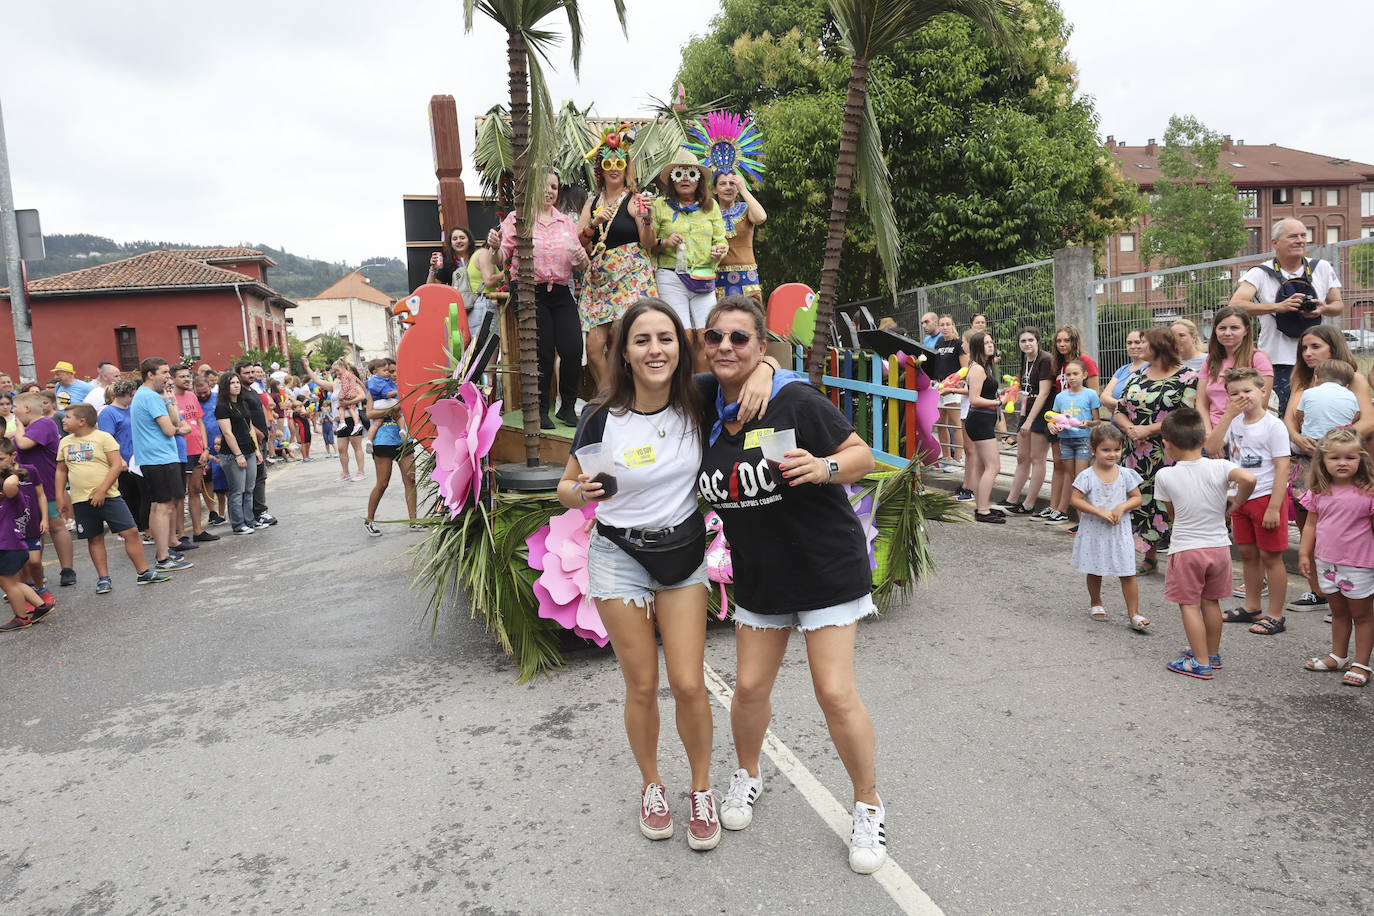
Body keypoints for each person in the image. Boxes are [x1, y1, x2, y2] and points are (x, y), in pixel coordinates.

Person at [698, 296, 888, 874]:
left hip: (824, 567)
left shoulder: (795, 399)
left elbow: (862, 454)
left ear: (760, 346)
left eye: (740, 339)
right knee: (749, 689)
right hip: (760, 576)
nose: (727, 347)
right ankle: (747, 775)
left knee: (833, 691)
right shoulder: (703, 403)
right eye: (716, 338)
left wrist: (827, 468)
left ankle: (868, 804)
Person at [557, 299, 718, 850]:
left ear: (680, 346)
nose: (656, 350)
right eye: (643, 340)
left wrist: (766, 366)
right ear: (623, 351)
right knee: (643, 684)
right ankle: (652, 784)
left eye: (666, 339)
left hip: (682, 552)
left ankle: (700, 789)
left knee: (689, 682)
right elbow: (565, 486)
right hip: (619, 554)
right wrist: (582, 492)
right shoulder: (602, 416)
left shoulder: (700, 399)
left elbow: (763, 368)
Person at [1155, 409, 1256, 679]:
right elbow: (1249, 479)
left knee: (1189, 605)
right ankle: (1211, 654)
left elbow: (1173, 514)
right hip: (1219, 548)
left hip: (1187, 549)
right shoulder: (1221, 467)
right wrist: (1236, 502)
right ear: (1203, 440)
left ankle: (1199, 663)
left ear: (1167, 443)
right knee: (1211, 603)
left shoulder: (1165, 476)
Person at [1283, 326, 1374, 611]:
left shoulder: (1353, 378)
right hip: (1305, 461)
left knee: (1348, 525)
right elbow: (1288, 420)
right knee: (1306, 517)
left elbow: (1368, 420)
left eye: (1315, 347)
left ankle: (1351, 594)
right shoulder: (1302, 380)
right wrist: (1296, 436)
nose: (1308, 353)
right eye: (1304, 348)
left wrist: (1332, 446)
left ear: (1332, 348)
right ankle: (1318, 591)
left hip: (1342, 462)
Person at [493, 168, 590, 428]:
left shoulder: (566, 222)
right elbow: (502, 257)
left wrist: (582, 260)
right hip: (528, 291)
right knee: (543, 352)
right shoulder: (519, 217)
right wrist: (494, 247)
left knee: (572, 348)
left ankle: (567, 407)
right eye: (544, 186)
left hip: (560, 291)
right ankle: (539, 411)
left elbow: (581, 262)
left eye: (554, 187)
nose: (549, 191)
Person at [1204, 368, 1291, 635]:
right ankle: (1252, 607)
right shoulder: (1233, 422)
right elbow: (1211, 448)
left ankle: (1275, 613)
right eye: (1234, 393)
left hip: (1266, 497)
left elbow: (1283, 467)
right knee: (1248, 554)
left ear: (1262, 391)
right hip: (1240, 499)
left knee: (1271, 557)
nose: (1242, 396)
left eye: (1247, 391)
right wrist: (1228, 416)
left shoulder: (1273, 425)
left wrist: (1275, 507)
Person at [1230, 217, 1345, 416]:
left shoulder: (1322, 267)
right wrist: (1279, 306)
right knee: (1280, 415)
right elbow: (1235, 304)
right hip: (1277, 360)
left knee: (1320, 414)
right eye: (1293, 236)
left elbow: (1338, 305)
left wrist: (1322, 309)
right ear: (1275, 243)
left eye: (1303, 235)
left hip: (1320, 359)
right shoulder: (1260, 272)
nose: (1300, 240)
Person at [1112, 326, 1198, 575]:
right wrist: (1131, 428)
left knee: (1171, 505)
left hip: (1169, 453)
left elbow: (1186, 415)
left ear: (1159, 346)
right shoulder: (1137, 376)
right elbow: (1119, 411)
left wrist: (1147, 430)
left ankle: (1181, 560)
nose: (1139, 347)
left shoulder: (1187, 377)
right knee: (1142, 503)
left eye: (1144, 343)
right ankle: (1149, 557)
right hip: (1136, 452)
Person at [54, 403, 165, 592]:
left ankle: (143, 572)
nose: (63, 420)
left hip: (110, 496)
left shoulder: (103, 438)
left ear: (82, 421)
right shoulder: (65, 442)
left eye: (67, 417)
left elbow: (115, 466)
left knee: (130, 532)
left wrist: (101, 491)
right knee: (94, 538)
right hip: (81, 499)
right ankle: (103, 578)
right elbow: (61, 471)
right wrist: (60, 497)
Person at [576, 136, 658, 390]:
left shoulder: (635, 200)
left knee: (624, 338)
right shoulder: (592, 203)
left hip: (631, 276)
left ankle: (637, 394)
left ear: (626, 167)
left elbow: (648, 243)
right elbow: (581, 240)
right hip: (601, 279)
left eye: (619, 164)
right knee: (593, 347)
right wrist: (595, 221)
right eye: (608, 164)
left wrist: (647, 220)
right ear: (600, 168)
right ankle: (610, 398)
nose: (613, 169)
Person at [1298, 427, 1374, 687]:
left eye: (1350, 458)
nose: (1342, 463)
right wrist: (1304, 553)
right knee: (1338, 611)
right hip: (1326, 562)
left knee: (1362, 615)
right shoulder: (1319, 491)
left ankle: (1362, 663)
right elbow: (1310, 525)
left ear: (1361, 459)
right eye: (1335, 458)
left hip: (1359, 565)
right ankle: (1338, 655)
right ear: (1323, 460)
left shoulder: (1369, 491)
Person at [648, 150, 727, 359]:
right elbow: (647, 245)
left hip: (703, 277)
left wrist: (718, 251)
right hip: (671, 277)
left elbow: (721, 241)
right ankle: (680, 389)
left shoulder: (711, 207)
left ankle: (701, 389)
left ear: (699, 180)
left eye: (690, 174)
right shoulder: (659, 206)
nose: (685, 179)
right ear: (672, 180)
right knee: (683, 338)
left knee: (706, 338)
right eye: (679, 174)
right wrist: (664, 243)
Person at [1070, 424, 1144, 628]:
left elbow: (1137, 498)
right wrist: (1099, 511)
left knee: (1127, 571)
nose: (1112, 454)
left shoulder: (1126, 474)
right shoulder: (1086, 476)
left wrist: (1122, 507)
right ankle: (1096, 602)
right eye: (1106, 449)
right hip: (1095, 530)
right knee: (1095, 568)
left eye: (1116, 449)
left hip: (1120, 532)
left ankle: (1134, 613)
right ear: (1093, 450)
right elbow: (1075, 500)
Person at [131, 359, 193, 572]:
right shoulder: (149, 396)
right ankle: (163, 556)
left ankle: (167, 549)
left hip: (157, 457)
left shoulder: (149, 395)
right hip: (158, 458)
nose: (169, 376)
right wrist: (180, 430)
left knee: (162, 505)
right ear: (150, 374)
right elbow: (170, 429)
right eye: (164, 372)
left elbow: (174, 420)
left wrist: (169, 400)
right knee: (163, 507)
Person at [13, 391, 77, 587]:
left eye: (16, 408)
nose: (14, 411)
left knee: (56, 525)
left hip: (45, 482)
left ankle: (67, 569)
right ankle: (33, 574)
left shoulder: (44, 423)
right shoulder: (29, 426)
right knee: (33, 529)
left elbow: (23, 444)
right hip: (26, 485)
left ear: (27, 408)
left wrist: (16, 427)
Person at [1044, 326, 1099, 526]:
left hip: (1082, 431)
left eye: (1066, 340)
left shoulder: (1086, 362)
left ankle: (1081, 517)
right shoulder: (1058, 364)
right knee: (1064, 468)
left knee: (1081, 474)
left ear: (1074, 341)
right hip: (1063, 429)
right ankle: (1060, 510)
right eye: (1058, 341)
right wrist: (1054, 422)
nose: (1062, 344)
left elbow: (1092, 397)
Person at [1195, 305, 1273, 437]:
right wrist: (1209, 435)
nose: (1227, 333)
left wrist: (1224, 435)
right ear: (1215, 331)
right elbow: (1202, 403)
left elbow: (1261, 403)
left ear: (1246, 331)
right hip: (1212, 434)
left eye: (1234, 328)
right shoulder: (1210, 361)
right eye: (1222, 328)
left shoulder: (1258, 359)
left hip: (1244, 434)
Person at [999, 327, 1054, 516]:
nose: (1027, 344)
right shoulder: (1026, 358)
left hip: (1042, 413)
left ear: (1038, 341)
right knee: (1022, 457)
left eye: (1031, 340)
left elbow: (1044, 392)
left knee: (1037, 459)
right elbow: (1025, 388)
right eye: (1023, 341)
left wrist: (1029, 421)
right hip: (1026, 410)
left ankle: (1029, 504)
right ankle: (1011, 499)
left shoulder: (1046, 359)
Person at [363, 361, 418, 536]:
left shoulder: (400, 387)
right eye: (389, 371)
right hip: (382, 441)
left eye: (395, 371)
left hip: (403, 440)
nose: (393, 374)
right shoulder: (376, 388)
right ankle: (369, 520)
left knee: (411, 480)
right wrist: (391, 409)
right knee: (383, 483)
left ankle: (414, 521)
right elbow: (370, 414)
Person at [0, 441, 49, 633]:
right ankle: (42, 605)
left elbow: (11, 484)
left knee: (8, 584)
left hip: (9, 547)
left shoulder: (14, 496)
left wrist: (11, 471)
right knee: (15, 583)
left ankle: (21, 617)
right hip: (12, 546)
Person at [429, 226, 501, 344]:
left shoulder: (478, 256)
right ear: (451, 243)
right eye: (455, 239)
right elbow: (431, 288)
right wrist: (432, 269)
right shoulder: (448, 264)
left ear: (469, 240)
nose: (459, 241)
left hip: (481, 303)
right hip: (460, 310)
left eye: (462, 237)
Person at [173, 365, 218, 546]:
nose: (186, 379)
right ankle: (182, 534)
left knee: (195, 491)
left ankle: (198, 530)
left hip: (198, 451)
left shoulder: (192, 396)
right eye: (181, 376)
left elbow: (199, 422)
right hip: (180, 452)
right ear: (173, 379)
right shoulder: (169, 399)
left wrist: (206, 448)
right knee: (178, 495)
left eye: (187, 376)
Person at [963, 332, 1003, 523]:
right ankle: (983, 510)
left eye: (991, 342)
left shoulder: (984, 367)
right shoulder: (978, 369)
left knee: (982, 467)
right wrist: (997, 402)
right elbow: (974, 399)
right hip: (979, 421)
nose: (990, 345)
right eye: (986, 343)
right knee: (994, 466)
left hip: (981, 420)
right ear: (978, 347)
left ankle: (982, 507)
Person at [215, 371, 261, 535]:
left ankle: (250, 520)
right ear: (225, 387)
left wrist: (256, 449)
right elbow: (227, 433)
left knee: (249, 488)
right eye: (231, 383)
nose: (236, 385)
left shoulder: (242, 403)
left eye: (236, 382)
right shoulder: (222, 407)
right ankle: (238, 524)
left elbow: (250, 428)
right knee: (237, 491)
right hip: (233, 455)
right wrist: (238, 455)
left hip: (249, 450)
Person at [98, 380, 145, 537]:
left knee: (140, 495)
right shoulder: (108, 413)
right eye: (132, 395)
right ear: (124, 395)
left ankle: (141, 527)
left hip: (137, 458)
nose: (134, 398)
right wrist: (119, 459)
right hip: (122, 459)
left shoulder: (131, 408)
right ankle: (128, 530)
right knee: (128, 494)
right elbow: (107, 438)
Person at [712, 171, 767, 304]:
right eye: (723, 184)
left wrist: (744, 190)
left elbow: (761, 217)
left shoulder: (746, 209)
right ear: (714, 189)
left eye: (732, 183)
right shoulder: (710, 214)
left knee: (751, 320)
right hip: (719, 278)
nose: (728, 187)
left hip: (747, 278)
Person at [929, 315, 966, 471]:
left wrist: (956, 382)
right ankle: (946, 457)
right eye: (942, 325)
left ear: (953, 326)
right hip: (938, 387)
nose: (944, 327)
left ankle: (957, 459)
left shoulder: (959, 344)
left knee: (956, 425)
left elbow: (964, 367)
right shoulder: (938, 343)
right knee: (941, 425)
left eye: (947, 324)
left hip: (952, 388)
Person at [1100, 329, 1147, 415]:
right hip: (1116, 425)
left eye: (1137, 342)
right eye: (1129, 343)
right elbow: (1103, 397)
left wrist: (1115, 405)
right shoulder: (1122, 370)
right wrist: (1125, 406)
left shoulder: (1151, 367)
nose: (1132, 346)